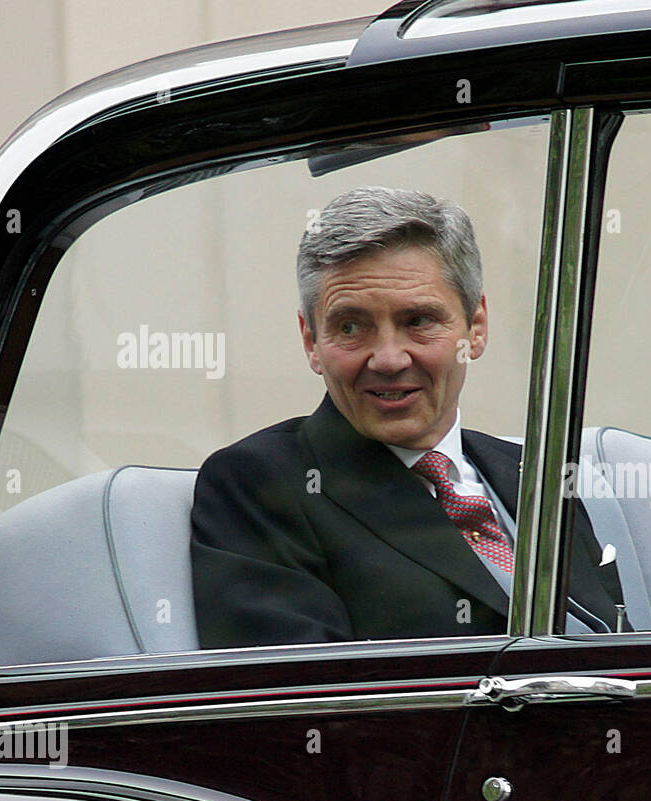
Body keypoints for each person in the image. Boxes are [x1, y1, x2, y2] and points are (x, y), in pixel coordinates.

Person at [191, 186, 625, 647]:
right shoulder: (261, 483)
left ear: (475, 327)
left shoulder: (535, 473)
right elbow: (301, 700)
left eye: (418, 320)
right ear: (311, 341)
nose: (389, 359)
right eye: (351, 327)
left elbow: (625, 653)